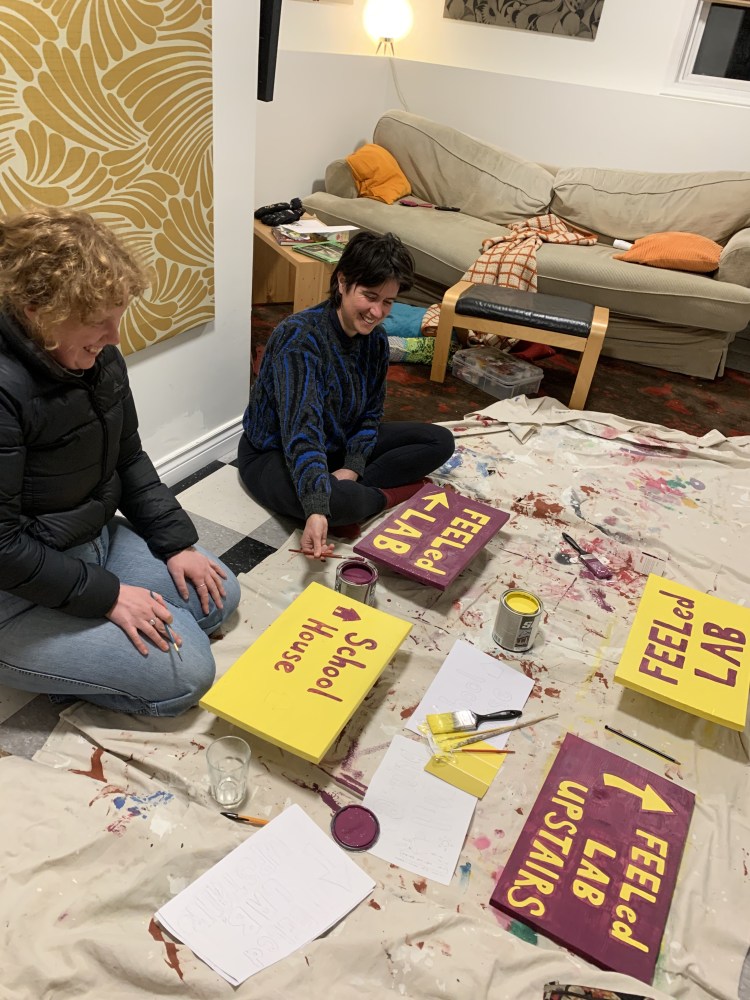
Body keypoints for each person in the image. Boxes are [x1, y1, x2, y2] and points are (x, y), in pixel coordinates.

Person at [0, 206, 240, 716]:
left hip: (89, 538)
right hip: (13, 588)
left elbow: (126, 456)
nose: (115, 338)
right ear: (37, 310)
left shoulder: (97, 358)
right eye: (97, 322)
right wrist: (108, 598)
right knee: (189, 673)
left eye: (117, 316)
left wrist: (176, 543)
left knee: (219, 595)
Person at [238, 230, 455, 559]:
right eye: (370, 296)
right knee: (336, 504)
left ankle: (350, 490)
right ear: (342, 282)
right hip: (274, 452)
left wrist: (352, 467)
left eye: (388, 302)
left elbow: (370, 415)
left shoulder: (377, 342)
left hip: (336, 446)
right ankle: (385, 495)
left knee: (440, 441)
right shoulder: (299, 337)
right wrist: (316, 505)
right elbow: (302, 429)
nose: (377, 312)